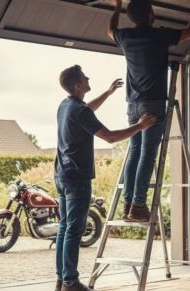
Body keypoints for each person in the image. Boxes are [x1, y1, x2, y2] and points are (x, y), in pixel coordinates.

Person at [106, 0, 190, 222]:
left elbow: (110, 30)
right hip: (152, 104)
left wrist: (117, 6)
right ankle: (139, 205)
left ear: (132, 17)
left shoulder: (125, 37)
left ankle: (127, 205)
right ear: (151, 14)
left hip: (132, 103)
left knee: (134, 152)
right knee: (147, 154)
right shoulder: (159, 36)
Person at [54, 65, 156, 291]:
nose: (89, 77)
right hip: (77, 177)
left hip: (62, 175)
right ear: (78, 85)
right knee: (73, 230)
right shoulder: (79, 111)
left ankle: (62, 279)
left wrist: (108, 93)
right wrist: (139, 126)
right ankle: (71, 282)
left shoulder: (66, 106)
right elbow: (109, 137)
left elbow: (88, 109)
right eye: (84, 77)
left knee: (64, 227)